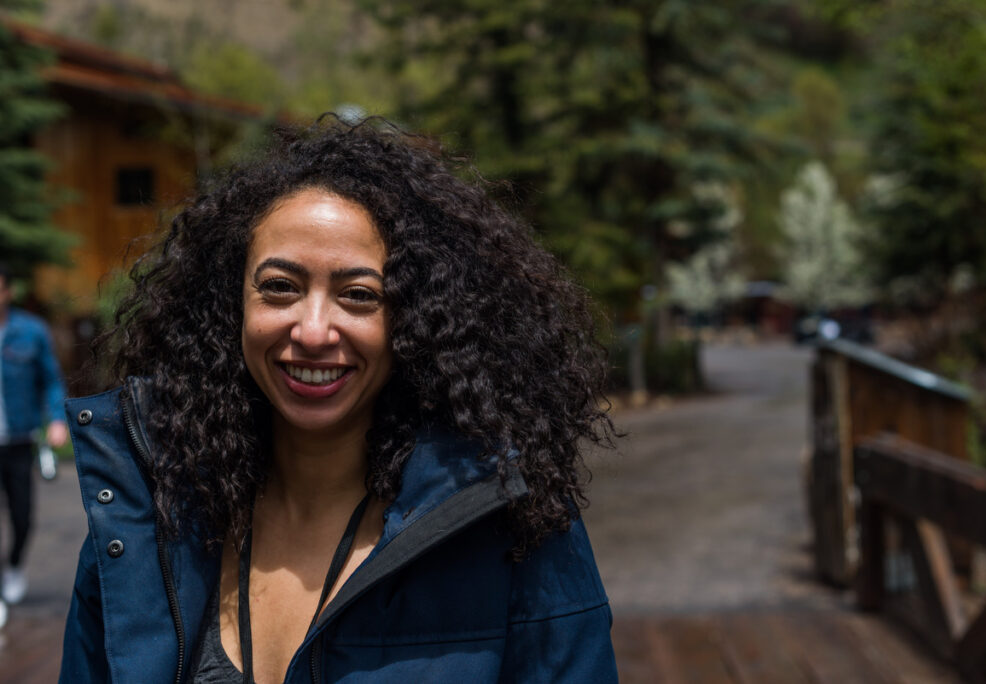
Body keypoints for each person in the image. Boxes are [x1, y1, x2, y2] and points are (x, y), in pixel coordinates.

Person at [60, 119, 619, 683]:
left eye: (359, 295)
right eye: (280, 286)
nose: (313, 330)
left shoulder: (513, 523)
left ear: (419, 320)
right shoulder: (141, 520)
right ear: (229, 305)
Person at [0, 263, 68, 627]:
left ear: (7, 292)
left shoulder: (31, 332)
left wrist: (56, 419)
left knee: (22, 515)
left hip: (19, 440)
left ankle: (13, 566)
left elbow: (51, 380)